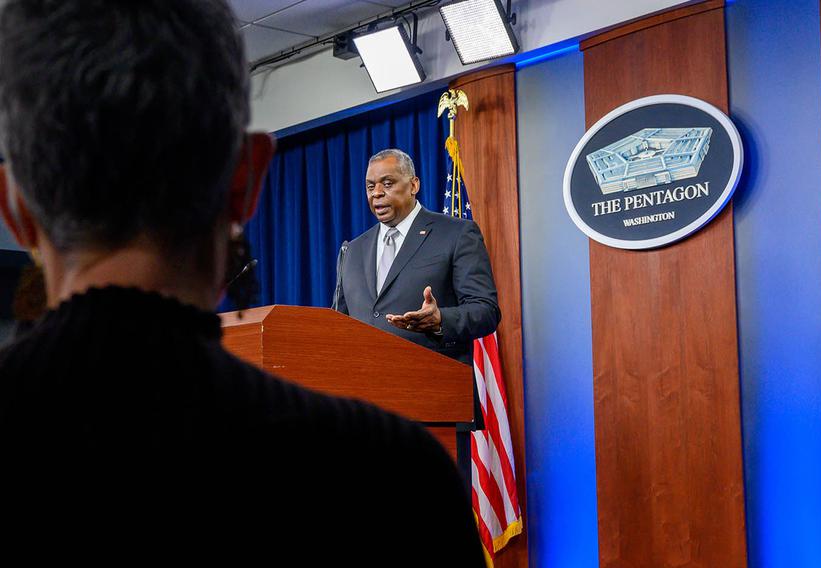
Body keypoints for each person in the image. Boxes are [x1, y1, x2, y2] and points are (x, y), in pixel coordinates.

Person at [0, 1, 484, 561]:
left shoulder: (452, 237)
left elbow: (479, 308)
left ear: (15, 208)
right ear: (247, 180)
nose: (375, 193)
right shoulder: (395, 478)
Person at [336, 149, 500, 368]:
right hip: (365, 391)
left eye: (387, 183)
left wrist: (440, 320)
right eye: (370, 186)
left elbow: (486, 310)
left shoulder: (456, 233)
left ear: (413, 185)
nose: (376, 193)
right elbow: (338, 324)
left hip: (433, 385)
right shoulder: (352, 250)